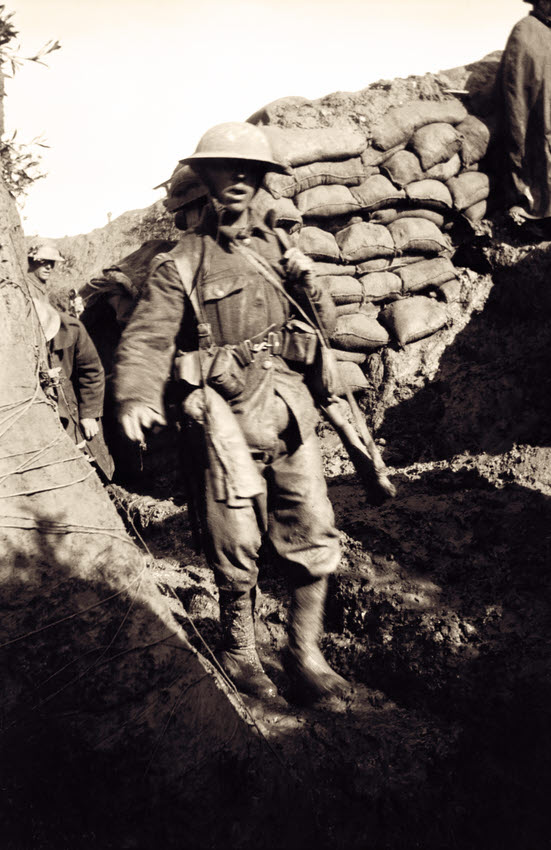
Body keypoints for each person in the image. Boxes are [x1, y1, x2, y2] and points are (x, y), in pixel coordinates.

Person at [114, 122, 350, 703]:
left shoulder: (283, 251)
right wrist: (136, 396)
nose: (240, 178)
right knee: (235, 541)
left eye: (251, 169)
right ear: (207, 177)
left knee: (312, 529)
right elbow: (147, 339)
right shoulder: (182, 262)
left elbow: (329, 331)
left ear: (266, 178)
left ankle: (304, 653)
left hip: (290, 415)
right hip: (224, 421)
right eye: (226, 168)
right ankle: (242, 654)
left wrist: (311, 285)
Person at [34, 298, 114, 481]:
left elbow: (92, 372)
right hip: (46, 412)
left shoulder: (72, 329)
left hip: (78, 402)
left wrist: (89, 413)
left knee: (97, 454)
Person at [499, 0, 551, 226]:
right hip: (535, 123)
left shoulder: (545, 32)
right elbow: (516, 98)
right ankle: (536, 206)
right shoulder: (526, 31)